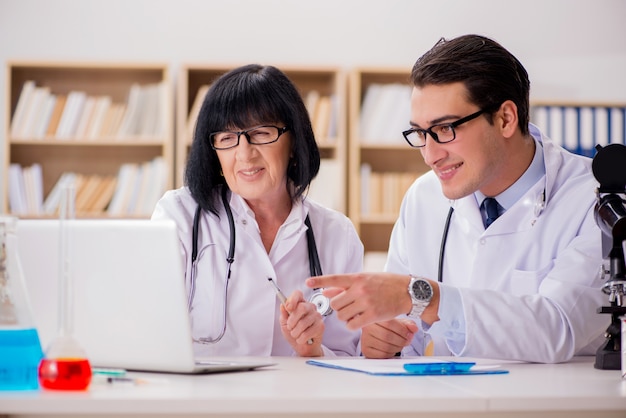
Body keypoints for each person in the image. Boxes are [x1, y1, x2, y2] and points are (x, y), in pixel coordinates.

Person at [306, 34, 608, 364]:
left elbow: (557, 328)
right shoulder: (423, 197)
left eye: (445, 129)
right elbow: (404, 328)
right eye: (419, 134)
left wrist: (425, 296)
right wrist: (385, 339)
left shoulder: (598, 200)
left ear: (506, 118)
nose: (430, 154)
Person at [152, 64, 363, 357]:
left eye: (262, 133)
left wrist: (312, 349)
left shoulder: (337, 235)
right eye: (226, 138)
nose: (244, 154)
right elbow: (149, 332)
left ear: (294, 142)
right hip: (202, 400)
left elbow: (349, 358)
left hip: (296, 400)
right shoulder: (180, 216)